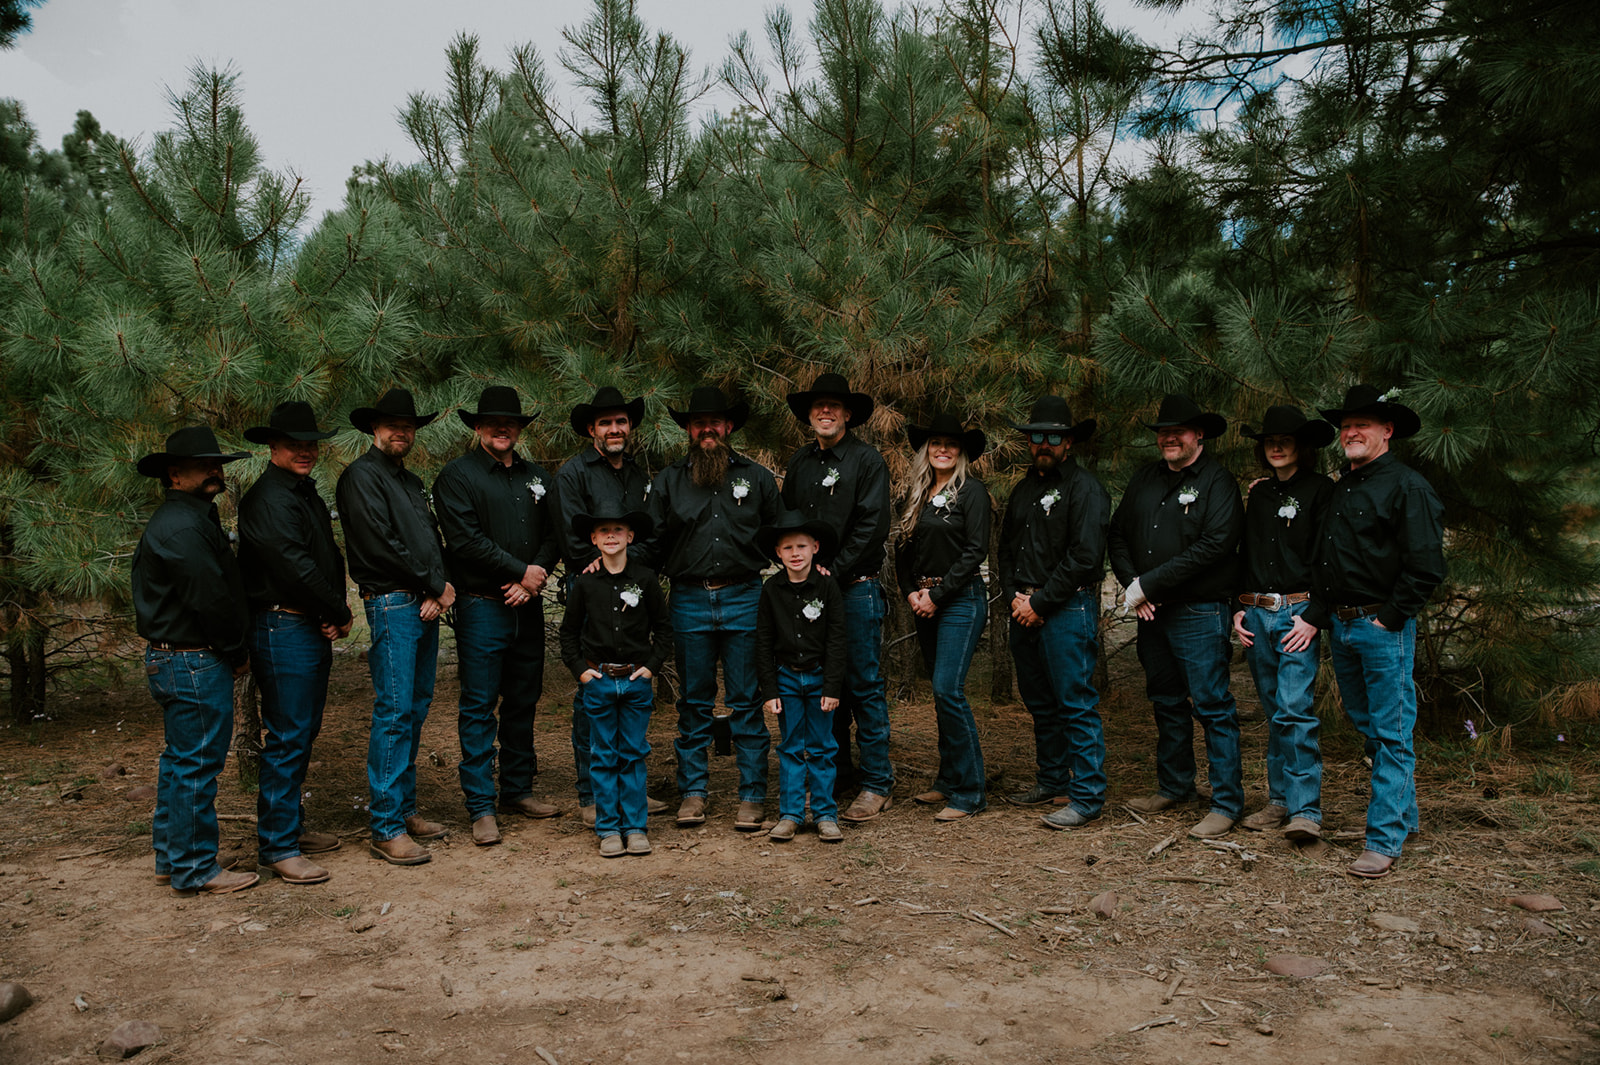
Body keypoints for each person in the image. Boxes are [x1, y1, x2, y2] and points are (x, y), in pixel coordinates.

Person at [1306, 385, 1445, 879]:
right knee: (1368, 724)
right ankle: (1405, 815)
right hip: (1342, 626)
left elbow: (1426, 566)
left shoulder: (1407, 487)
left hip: (1383, 628)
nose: (1352, 432)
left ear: (1387, 431)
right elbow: (1328, 556)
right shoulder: (1342, 485)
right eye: (1346, 426)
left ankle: (1383, 840)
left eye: (1363, 424)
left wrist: (1390, 617)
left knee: (1390, 733)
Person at [641, 386, 780, 830]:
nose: (707, 429)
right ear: (687, 428)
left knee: (746, 699)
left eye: (715, 422)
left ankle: (753, 795)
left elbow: (783, 535)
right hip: (688, 598)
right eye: (698, 422)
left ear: (729, 427)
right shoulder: (666, 481)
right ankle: (693, 793)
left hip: (745, 596)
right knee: (694, 701)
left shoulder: (757, 478)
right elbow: (649, 543)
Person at [1109, 393, 1245, 839]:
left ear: (1198, 434)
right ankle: (1175, 786)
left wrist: (1150, 584)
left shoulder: (1217, 482)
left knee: (1212, 705)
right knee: (1166, 702)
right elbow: (1118, 536)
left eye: (1179, 431)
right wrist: (1135, 587)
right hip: (1151, 613)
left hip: (1200, 611)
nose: (1170, 438)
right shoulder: (1145, 479)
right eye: (1164, 432)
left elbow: (1215, 545)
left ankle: (1226, 803)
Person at [433, 385, 562, 847]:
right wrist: (518, 572)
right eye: (492, 422)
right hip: (482, 605)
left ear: (520, 428)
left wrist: (537, 575)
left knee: (524, 699)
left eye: (510, 422)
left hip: (526, 606)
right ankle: (481, 806)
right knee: (479, 704)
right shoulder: (457, 476)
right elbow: (464, 540)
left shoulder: (537, 476)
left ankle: (518, 790)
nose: (502, 429)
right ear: (477, 427)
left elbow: (555, 532)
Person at [132, 425, 256, 895]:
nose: (212, 472)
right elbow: (210, 599)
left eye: (216, 465)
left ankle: (173, 857)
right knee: (196, 765)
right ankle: (194, 868)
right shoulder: (182, 526)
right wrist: (236, 651)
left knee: (180, 762)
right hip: (191, 660)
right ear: (173, 474)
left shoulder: (188, 519)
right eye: (202, 466)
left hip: (176, 659)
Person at [337, 388, 454, 866]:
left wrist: (438, 586)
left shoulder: (408, 481)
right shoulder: (360, 477)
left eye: (407, 426)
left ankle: (404, 809)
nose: (400, 432)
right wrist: (432, 584)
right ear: (373, 428)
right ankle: (384, 825)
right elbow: (380, 545)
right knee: (393, 711)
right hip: (392, 604)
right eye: (391, 425)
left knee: (415, 708)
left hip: (422, 604)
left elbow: (429, 541)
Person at [238, 402, 352, 885]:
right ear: (272, 447)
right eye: (294, 443)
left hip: (304, 625)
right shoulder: (268, 498)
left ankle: (289, 828)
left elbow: (319, 559)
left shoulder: (301, 491)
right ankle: (279, 846)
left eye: (311, 443)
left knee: (300, 732)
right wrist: (338, 611)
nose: (305, 451)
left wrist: (327, 611)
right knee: (287, 736)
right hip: (282, 627)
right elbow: (294, 566)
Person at [780, 373, 895, 823]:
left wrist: (834, 570)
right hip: (809, 593)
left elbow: (872, 525)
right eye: (817, 407)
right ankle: (838, 774)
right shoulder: (801, 462)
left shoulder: (867, 461)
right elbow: (788, 520)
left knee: (864, 686)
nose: (825, 412)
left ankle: (877, 783)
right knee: (829, 687)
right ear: (809, 415)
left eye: (833, 406)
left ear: (848, 414)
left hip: (855, 588)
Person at [996, 397, 1111, 830]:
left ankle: (1086, 796)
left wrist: (1040, 604)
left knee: (1075, 704)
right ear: (1029, 441)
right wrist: (1014, 598)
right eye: (1037, 436)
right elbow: (1006, 550)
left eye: (1054, 437)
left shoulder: (1086, 489)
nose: (1045, 444)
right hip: (1021, 608)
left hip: (1066, 609)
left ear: (1069, 442)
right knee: (1040, 703)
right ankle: (1051, 780)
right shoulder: (1023, 489)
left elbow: (1085, 558)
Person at [555, 386, 667, 825]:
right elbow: (572, 536)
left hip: (634, 585)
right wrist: (608, 573)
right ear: (591, 430)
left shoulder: (639, 476)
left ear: (629, 426)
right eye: (605, 423)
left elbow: (650, 532)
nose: (614, 429)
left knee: (629, 700)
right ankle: (591, 796)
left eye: (621, 421)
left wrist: (631, 572)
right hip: (591, 585)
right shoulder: (573, 474)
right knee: (594, 697)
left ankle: (627, 790)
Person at [1231, 406, 1336, 844]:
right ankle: (1278, 800)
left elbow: (1331, 558)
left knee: (1296, 709)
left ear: (1301, 447)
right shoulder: (1258, 495)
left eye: (1286, 440)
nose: (1276, 447)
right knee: (1275, 711)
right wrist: (1236, 607)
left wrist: (1314, 617)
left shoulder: (1323, 492)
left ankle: (1305, 809)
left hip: (1298, 613)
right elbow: (1243, 553)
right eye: (1269, 441)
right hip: (1256, 613)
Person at [894, 414, 992, 823]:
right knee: (939, 694)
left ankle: (970, 792)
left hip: (961, 598)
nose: (943, 450)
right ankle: (948, 777)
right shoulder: (914, 494)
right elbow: (901, 548)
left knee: (947, 688)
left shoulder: (972, 493)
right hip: (925, 600)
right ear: (926, 449)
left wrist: (937, 594)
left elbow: (975, 550)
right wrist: (913, 592)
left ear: (962, 452)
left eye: (952, 444)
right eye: (936, 443)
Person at [559, 507, 672, 858]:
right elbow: (569, 633)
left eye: (618, 530)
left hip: (636, 680)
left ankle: (636, 827)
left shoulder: (646, 579)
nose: (611, 536)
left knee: (633, 753)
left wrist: (652, 667)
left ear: (630, 537)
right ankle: (608, 827)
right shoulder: (586, 583)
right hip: (600, 680)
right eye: (603, 531)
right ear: (593, 539)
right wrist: (581, 671)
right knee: (603, 754)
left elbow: (665, 628)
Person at [755, 512, 849, 843]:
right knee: (792, 746)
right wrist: (769, 689)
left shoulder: (827, 586)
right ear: (778, 554)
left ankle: (824, 813)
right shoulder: (771, 590)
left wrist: (832, 685)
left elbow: (838, 638)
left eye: (802, 546)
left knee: (823, 747)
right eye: (788, 548)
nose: (795, 553)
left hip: (821, 677)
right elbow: (763, 640)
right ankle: (791, 814)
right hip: (786, 680)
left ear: (815, 548)